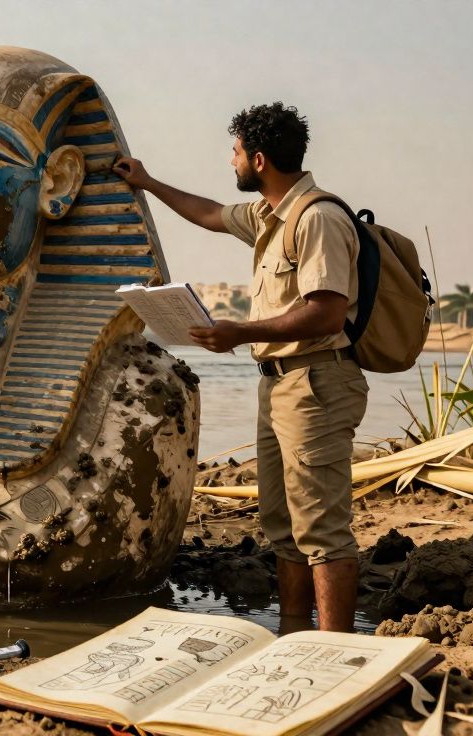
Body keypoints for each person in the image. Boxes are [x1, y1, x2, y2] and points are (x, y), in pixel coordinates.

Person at [113, 102, 366, 632]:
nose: (230, 163)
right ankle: (294, 633)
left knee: (321, 528)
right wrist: (149, 182)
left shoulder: (316, 218)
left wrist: (239, 332)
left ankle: (338, 649)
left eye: (234, 154)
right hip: (279, 386)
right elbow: (208, 213)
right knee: (284, 526)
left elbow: (327, 311)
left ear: (258, 158)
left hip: (316, 383)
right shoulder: (268, 217)